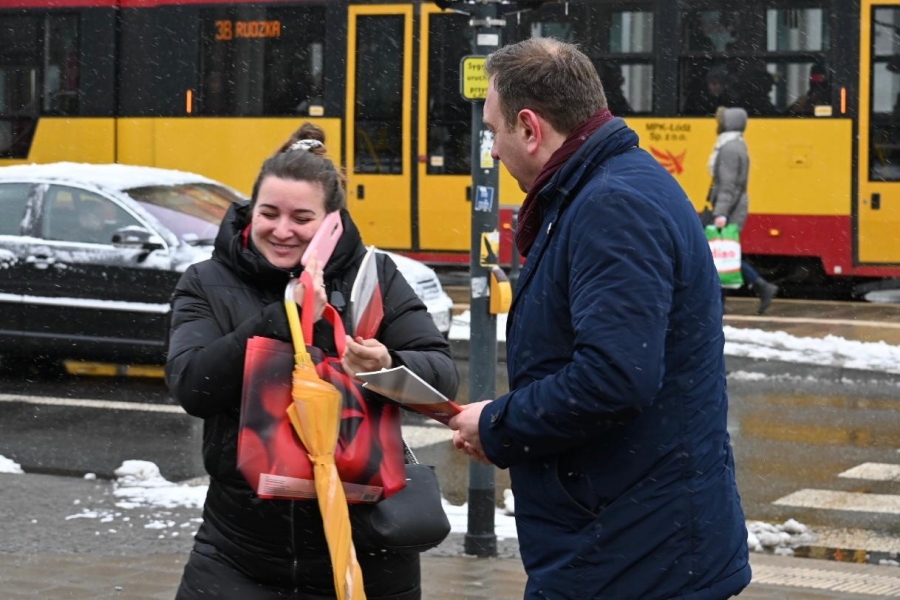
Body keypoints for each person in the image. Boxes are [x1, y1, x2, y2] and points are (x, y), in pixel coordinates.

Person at [448, 38, 751, 599]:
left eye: (493, 131)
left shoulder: (611, 204)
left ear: (529, 128)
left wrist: (499, 425)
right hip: (634, 537)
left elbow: (614, 377)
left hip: (629, 550)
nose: (492, 150)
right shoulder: (607, 184)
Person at [165, 122, 459, 599]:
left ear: (331, 223)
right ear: (251, 211)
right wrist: (280, 318)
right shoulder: (206, 281)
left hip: (369, 552)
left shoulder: (374, 276)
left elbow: (441, 378)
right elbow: (193, 387)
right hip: (237, 554)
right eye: (268, 213)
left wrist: (385, 364)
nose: (282, 230)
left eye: (301, 218)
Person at [709, 106, 779, 314]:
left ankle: (759, 286)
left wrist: (721, 213)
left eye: (721, 120)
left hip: (729, 209)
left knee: (721, 254)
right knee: (724, 254)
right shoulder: (736, 144)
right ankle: (723, 301)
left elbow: (728, 185)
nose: (718, 124)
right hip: (734, 206)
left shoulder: (729, 148)